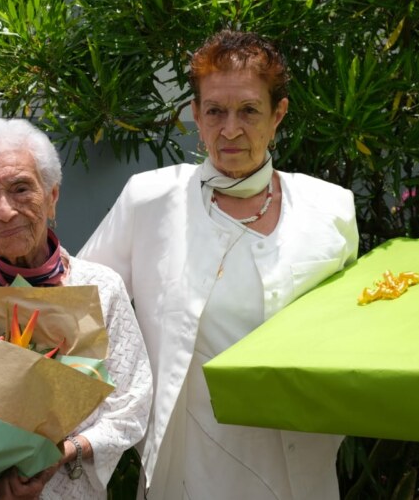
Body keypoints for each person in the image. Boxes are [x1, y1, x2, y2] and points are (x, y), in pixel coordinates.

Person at [77, 30, 359, 499]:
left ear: (278, 115)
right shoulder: (150, 200)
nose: (230, 129)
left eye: (249, 110)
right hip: (193, 467)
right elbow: (79, 307)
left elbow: (350, 329)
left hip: (300, 462)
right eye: (215, 111)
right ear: (195, 115)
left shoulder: (330, 209)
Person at [0, 117, 152, 500]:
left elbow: (132, 405)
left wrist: (63, 453)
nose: (5, 210)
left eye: (20, 189)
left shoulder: (99, 288)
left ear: (52, 195)